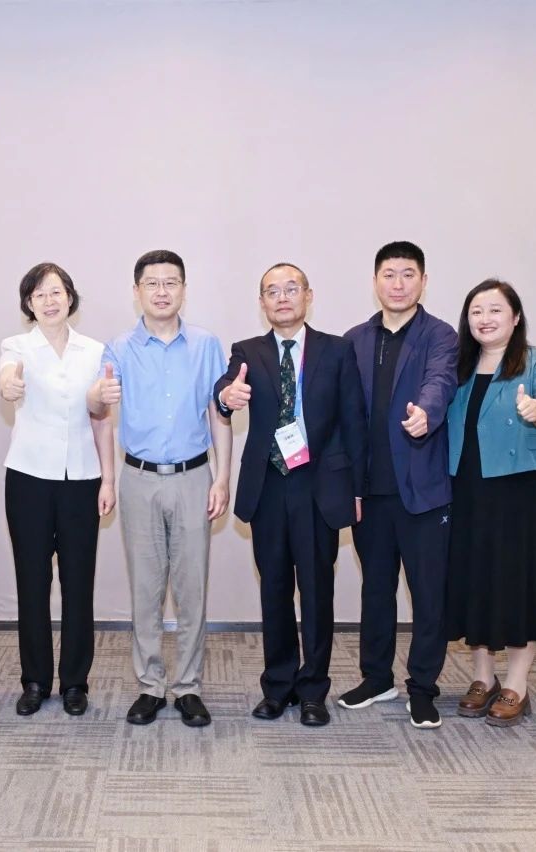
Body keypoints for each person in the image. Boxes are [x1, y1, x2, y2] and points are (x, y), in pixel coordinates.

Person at [214, 263, 366, 727]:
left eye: (291, 289)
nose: (282, 298)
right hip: (269, 485)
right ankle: (278, 686)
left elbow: (354, 421)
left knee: (317, 590)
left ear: (308, 296)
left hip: (319, 485)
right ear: (262, 302)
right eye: (272, 291)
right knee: (275, 588)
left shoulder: (337, 350)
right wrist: (225, 397)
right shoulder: (248, 350)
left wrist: (357, 488)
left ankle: (313, 689)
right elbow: (225, 387)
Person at [88, 249, 232, 727]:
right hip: (139, 479)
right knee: (146, 591)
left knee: (191, 590)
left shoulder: (206, 345)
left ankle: (188, 686)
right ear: (137, 292)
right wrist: (99, 399)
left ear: (184, 289)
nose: (162, 291)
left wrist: (222, 477)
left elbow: (219, 414)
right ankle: (150, 686)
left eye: (171, 282)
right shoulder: (118, 348)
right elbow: (99, 411)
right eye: (152, 283)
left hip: (193, 478)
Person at [340, 241, 457, 729]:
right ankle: (376, 678)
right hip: (370, 492)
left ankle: (423, 688)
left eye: (409, 274)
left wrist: (425, 412)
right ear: (375, 281)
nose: (398, 283)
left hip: (422, 491)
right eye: (389, 274)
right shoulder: (354, 339)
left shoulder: (440, 335)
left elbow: (441, 382)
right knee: (376, 591)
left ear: (423, 282)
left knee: (428, 595)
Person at [0, 263, 116, 717]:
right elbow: (7, 381)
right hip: (28, 478)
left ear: (70, 297)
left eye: (57, 292)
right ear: (29, 303)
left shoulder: (94, 350)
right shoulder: (16, 346)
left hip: (82, 479)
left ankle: (74, 682)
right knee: (31, 582)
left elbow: (101, 419)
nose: (49, 301)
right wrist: (9, 385)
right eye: (40, 294)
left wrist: (108, 479)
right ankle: (34, 680)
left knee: (78, 583)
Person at [444, 280, 536, 727]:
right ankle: (482, 677)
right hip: (466, 487)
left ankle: (516, 684)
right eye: (476, 311)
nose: (485, 319)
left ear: (515, 317)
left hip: (518, 489)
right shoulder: (457, 363)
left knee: (517, 582)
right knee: (474, 579)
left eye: (496, 310)